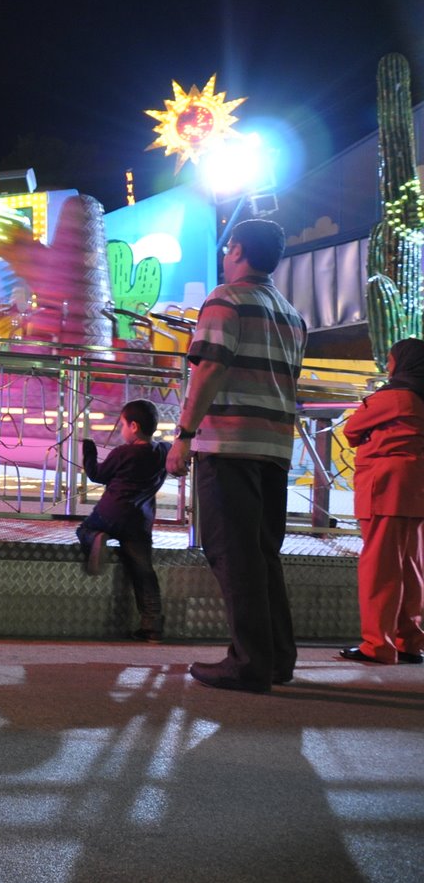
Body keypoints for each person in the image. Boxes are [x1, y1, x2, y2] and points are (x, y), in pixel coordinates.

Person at [166, 219, 307, 693]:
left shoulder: (226, 299)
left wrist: (184, 435)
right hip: (275, 448)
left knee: (232, 553)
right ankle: (277, 659)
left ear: (239, 250)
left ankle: (248, 664)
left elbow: (209, 369)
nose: (225, 256)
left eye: (229, 249)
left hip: (230, 445)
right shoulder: (291, 314)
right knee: (263, 554)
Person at [338, 338, 424, 664]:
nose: (387, 367)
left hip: (386, 487)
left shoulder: (393, 396)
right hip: (416, 489)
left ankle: (378, 646)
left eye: (390, 361)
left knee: (380, 568)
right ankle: (409, 642)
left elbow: (351, 430)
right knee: (413, 566)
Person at [78, 399, 172, 641]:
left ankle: (97, 538)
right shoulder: (163, 451)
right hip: (139, 523)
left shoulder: (123, 453)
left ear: (134, 426)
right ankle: (152, 626)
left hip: (110, 514)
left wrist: (88, 449)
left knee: (84, 529)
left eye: (122, 425)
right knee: (143, 571)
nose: (121, 430)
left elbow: (97, 474)